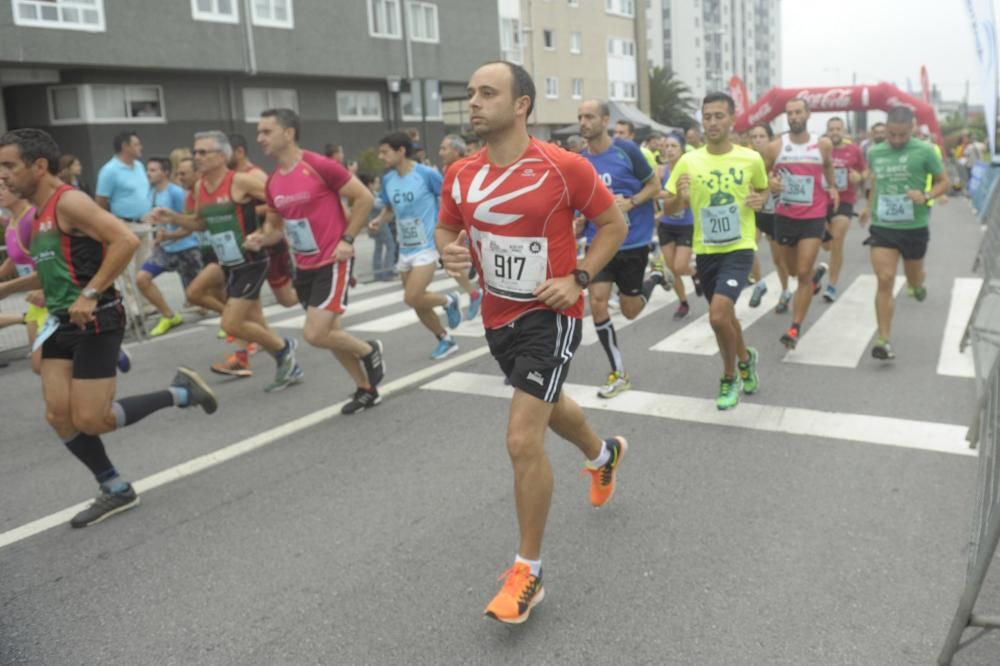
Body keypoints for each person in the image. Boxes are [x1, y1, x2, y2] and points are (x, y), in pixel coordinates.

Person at [437, 60, 629, 625]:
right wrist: (451, 253)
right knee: (546, 409)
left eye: (487, 93)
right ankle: (604, 454)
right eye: (470, 93)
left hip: (553, 313)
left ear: (521, 105)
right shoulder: (460, 173)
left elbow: (612, 224)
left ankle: (529, 572)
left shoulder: (562, 166)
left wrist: (581, 278)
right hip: (498, 316)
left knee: (522, 438)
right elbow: (449, 229)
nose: (473, 102)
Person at [0, 128, 217, 528]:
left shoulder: (70, 202)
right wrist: (8, 287)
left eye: (9, 166)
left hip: (96, 318)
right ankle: (115, 487)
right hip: (60, 323)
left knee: (92, 420)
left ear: (39, 165)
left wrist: (91, 292)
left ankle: (180, 392)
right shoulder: (36, 215)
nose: (3, 177)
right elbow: (53, 272)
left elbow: (124, 241)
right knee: (57, 415)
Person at [249, 108, 386, 414]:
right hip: (304, 266)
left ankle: (369, 349)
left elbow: (364, 198)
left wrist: (348, 240)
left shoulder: (319, 165)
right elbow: (274, 229)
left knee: (315, 334)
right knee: (330, 334)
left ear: (289, 133)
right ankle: (366, 389)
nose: (260, 138)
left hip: (332, 260)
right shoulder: (272, 183)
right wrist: (262, 238)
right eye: (259, 132)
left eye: (266, 132)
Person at [150, 130, 302, 392]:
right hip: (229, 263)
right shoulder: (200, 187)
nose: (196, 157)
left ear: (221, 156)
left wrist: (266, 232)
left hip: (252, 259)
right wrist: (172, 218)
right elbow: (200, 222)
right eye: (194, 152)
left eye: (202, 152)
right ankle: (286, 364)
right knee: (254, 323)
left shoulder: (240, 181)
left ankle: (284, 347)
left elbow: (280, 201)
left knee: (231, 324)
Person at [663, 92, 766, 409]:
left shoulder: (750, 158)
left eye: (719, 115)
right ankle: (747, 359)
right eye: (707, 116)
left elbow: (762, 190)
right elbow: (668, 206)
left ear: (733, 120)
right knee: (726, 317)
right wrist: (679, 198)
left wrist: (761, 200)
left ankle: (728, 376)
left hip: (739, 247)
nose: (712, 122)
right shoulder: (688, 160)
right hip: (706, 250)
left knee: (718, 315)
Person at [578, 99, 661, 397]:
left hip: (633, 242)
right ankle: (618, 371)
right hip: (598, 242)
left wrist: (631, 201)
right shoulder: (580, 161)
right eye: (580, 117)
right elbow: (581, 202)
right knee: (597, 301)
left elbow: (653, 185)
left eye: (589, 116)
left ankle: (653, 280)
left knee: (630, 311)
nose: (583, 122)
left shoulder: (627, 151)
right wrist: (578, 221)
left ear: (604, 120)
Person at [370, 131, 476, 360]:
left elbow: (449, 199)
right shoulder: (389, 179)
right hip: (405, 248)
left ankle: (450, 300)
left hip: (427, 246)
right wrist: (379, 221)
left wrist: (451, 230)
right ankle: (444, 338)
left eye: (385, 151)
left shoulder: (426, 174)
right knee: (418, 303)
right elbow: (389, 208)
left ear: (400, 151)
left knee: (411, 296)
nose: (381, 156)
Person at [860, 106, 950, 360]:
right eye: (892, 135)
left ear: (912, 129)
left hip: (914, 226)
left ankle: (917, 284)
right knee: (885, 279)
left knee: (914, 280)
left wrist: (926, 195)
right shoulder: (876, 152)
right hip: (883, 225)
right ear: (885, 129)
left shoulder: (924, 151)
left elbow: (944, 180)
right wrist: (868, 206)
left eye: (902, 135)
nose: (897, 140)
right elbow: (876, 180)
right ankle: (883, 339)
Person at [761, 98, 838, 349]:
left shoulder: (822, 144)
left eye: (798, 112)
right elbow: (761, 175)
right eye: (789, 113)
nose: (793, 117)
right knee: (793, 271)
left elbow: (827, 167)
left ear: (807, 114)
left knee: (802, 273)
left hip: (813, 217)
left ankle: (794, 328)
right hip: (784, 216)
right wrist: (769, 183)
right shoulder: (775, 147)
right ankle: (815, 276)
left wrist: (833, 187)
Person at [135, 157, 201, 337]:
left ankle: (229, 319)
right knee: (142, 279)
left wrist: (169, 235)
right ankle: (168, 315)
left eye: (153, 170)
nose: (149, 173)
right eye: (148, 170)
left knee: (199, 298)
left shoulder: (177, 193)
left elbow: (190, 225)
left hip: (187, 249)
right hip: (165, 250)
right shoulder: (152, 193)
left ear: (165, 172)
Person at [0, 181, 44, 372]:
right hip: (35, 301)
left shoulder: (30, 219)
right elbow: (14, 256)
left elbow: (52, 261)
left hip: (53, 297)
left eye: (2, 188)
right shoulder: (12, 221)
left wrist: (8, 288)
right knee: (38, 366)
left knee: (52, 366)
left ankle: (106, 350)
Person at [821, 116, 866, 303]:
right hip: (822, 201)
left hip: (845, 201)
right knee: (826, 245)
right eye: (831, 129)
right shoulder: (820, 149)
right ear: (827, 131)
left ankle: (832, 284)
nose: (834, 132)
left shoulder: (853, 150)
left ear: (844, 131)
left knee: (837, 240)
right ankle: (824, 269)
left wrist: (859, 177)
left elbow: (865, 171)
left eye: (838, 129)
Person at [747, 123, 791, 311]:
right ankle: (759, 284)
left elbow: (788, 183)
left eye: (762, 136)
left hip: (775, 214)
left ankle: (785, 290)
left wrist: (775, 183)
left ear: (770, 138)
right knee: (748, 248)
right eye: (754, 136)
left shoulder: (779, 159)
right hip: (756, 212)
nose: (758, 140)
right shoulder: (746, 159)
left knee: (779, 259)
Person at [653, 131, 695, 319]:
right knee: (671, 267)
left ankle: (696, 273)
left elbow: (688, 200)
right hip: (666, 225)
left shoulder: (688, 171)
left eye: (673, 146)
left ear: (682, 150)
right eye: (667, 146)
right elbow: (653, 192)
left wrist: (668, 198)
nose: (669, 150)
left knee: (680, 266)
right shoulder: (660, 171)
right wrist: (662, 207)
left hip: (686, 223)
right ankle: (683, 302)